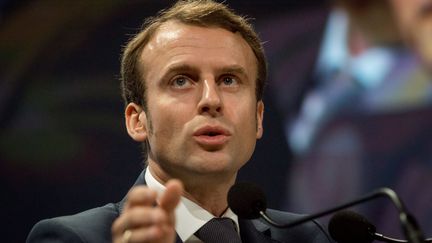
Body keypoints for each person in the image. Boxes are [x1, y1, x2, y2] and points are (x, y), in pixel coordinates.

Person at [26, 1, 332, 242]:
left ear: (258, 118)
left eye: (229, 79)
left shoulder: (307, 237)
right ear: (137, 120)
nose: (211, 100)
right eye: (181, 81)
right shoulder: (71, 238)